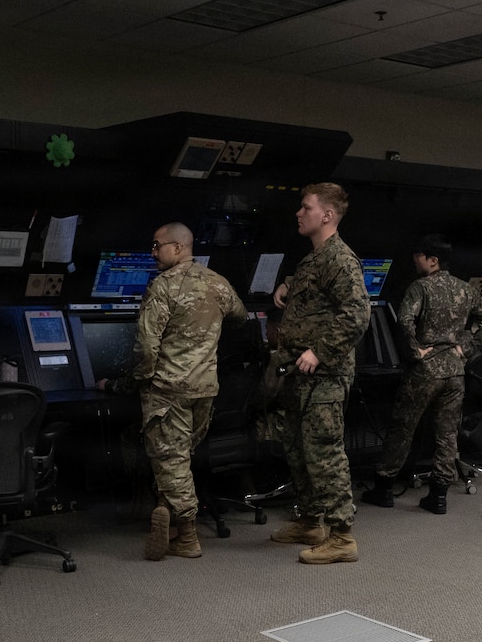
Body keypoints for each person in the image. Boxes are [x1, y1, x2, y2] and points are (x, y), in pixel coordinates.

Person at [100, 223, 247, 561]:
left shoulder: (162, 287)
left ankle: (188, 536)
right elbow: (239, 317)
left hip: (168, 390)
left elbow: (147, 348)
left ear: (178, 248)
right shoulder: (217, 282)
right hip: (205, 389)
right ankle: (168, 511)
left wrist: (128, 383)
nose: (153, 253)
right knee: (180, 458)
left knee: (172, 460)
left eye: (157, 246)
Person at [266, 182, 370, 565]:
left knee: (324, 453)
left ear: (326, 215)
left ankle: (342, 536)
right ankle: (310, 521)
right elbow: (315, 290)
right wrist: (288, 284)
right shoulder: (315, 258)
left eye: (306, 207)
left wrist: (320, 352)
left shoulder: (340, 259)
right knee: (297, 450)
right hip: (298, 374)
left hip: (323, 376)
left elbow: (357, 315)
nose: (299, 212)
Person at [362, 235, 482, 515]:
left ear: (432, 260)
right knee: (447, 434)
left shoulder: (420, 287)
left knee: (402, 429)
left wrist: (415, 352)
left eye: (418, 259)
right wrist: (466, 348)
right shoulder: (465, 289)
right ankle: (438, 496)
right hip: (454, 372)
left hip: (424, 373)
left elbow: (404, 320)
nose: (415, 263)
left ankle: (384, 489)